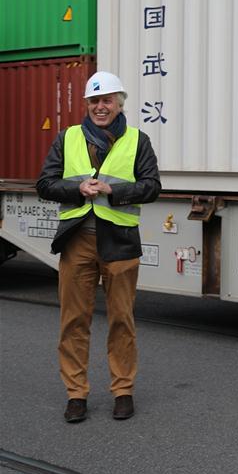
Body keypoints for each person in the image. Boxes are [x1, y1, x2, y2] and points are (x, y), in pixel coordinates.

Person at [36, 71, 161, 423]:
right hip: (77, 241)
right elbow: (44, 184)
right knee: (73, 321)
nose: (100, 107)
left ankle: (123, 390)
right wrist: (78, 189)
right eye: (94, 100)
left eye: (107, 100)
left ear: (119, 103)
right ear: (87, 104)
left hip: (119, 242)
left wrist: (112, 191)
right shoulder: (68, 138)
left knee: (122, 320)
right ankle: (76, 394)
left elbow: (152, 187)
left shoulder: (139, 140)